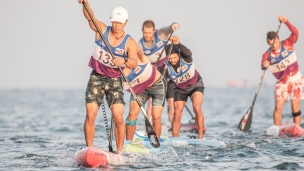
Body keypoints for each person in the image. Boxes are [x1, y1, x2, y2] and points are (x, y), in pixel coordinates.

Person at [78, 0, 138, 154]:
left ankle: (119, 152)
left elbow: (133, 62)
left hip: (114, 80)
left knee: (118, 117)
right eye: (114, 22)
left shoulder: (129, 42)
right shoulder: (102, 30)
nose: (117, 25)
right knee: (90, 114)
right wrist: (86, 4)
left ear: (125, 22)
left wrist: (123, 60)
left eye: (120, 23)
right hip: (97, 77)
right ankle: (89, 149)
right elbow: (90, 18)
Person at [261, 15, 303, 126]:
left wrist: (286, 22)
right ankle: (276, 129)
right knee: (278, 106)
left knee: (295, 105)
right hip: (282, 82)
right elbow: (263, 65)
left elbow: (296, 33)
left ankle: (297, 129)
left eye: (275, 43)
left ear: (278, 39)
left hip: (296, 79)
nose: (274, 46)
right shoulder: (267, 54)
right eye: (271, 45)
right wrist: (265, 65)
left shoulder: (287, 44)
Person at [137, 20, 179, 123]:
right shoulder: (139, 45)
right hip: (152, 73)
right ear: (142, 31)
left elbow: (169, 28)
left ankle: (173, 128)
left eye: (150, 33)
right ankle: (149, 127)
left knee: (170, 101)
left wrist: (173, 26)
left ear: (154, 31)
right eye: (145, 33)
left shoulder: (161, 34)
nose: (147, 35)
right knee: (151, 101)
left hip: (165, 70)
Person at [164, 35, 205, 139]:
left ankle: (200, 138)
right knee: (177, 112)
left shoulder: (186, 58)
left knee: (196, 107)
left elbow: (188, 52)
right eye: (170, 58)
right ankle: (174, 139)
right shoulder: (166, 67)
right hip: (180, 89)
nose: (172, 60)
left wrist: (178, 43)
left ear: (178, 55)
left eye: (174, 58)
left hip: (195, 85)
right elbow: (159, 79)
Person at [122, 47, 166, 140]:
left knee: (156, 115)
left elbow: (139, 51)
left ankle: (156, 142)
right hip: (140, 89)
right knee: (132, 115)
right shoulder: (121, 70)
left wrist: (133, 48)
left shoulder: (141, 59)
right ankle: (128, 143)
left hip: (157, 85)